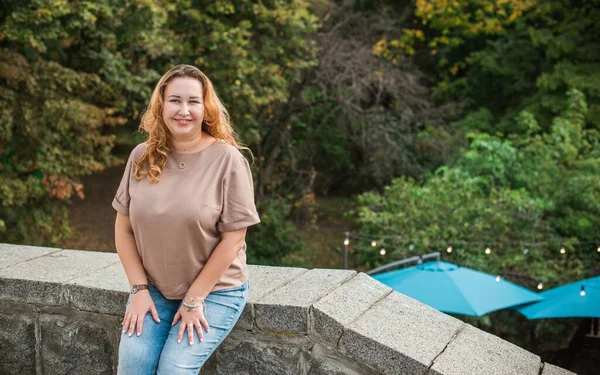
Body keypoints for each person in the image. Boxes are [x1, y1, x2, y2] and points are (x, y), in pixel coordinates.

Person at [112, 64, 260, 374]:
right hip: (153, 288)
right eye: (175, 100)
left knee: (174, 370)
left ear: (205, 108)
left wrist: (194, 299)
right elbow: (123, 229)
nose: (184, 110)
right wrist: (139, 290)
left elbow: (234, 240)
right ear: (161, 105)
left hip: (216, 290)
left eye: (193, 101)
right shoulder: (141, 156)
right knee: (132, 366)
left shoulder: (228, 160)